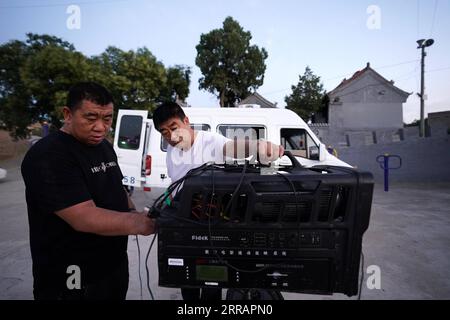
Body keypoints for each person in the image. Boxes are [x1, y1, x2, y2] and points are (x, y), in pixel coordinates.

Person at [21, 82, 155, 300]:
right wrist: (140, 223)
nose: (101, 127)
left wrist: (133, 212)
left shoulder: (104, 146)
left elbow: (118, 189)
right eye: (91, 118)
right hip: (71, 276)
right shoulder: (49, 155)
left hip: (113, 266)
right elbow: (83, 217)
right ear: (68, 114)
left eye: (108, 119)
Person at [152, 102, 284, 301]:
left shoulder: (210, 141)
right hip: (186, 224)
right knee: (187, 281)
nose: (171, 136)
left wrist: (258, 145)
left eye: (174, 127)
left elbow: (232, 147)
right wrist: (165, 204)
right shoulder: (172, 151)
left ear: (186, 121)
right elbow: (176, 184)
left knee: (211, 282)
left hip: (212, 226)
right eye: (164, 133)